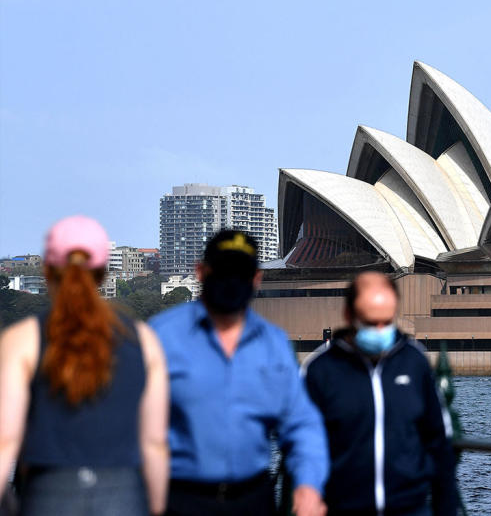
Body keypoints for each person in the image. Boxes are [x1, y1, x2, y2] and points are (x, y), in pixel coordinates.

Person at [149, 230, 328, 516]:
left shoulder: (273, 343)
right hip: (181, 499)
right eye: (223, 271)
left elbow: (301, 424)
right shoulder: (161, 336)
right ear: (201, 272)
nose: (232, 280)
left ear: (256, 278)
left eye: (240, 273)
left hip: (253, 499)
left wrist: (308, 485)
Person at [0, 215, 169, 515]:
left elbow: (5, 440)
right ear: (103, 273)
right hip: (124, 495)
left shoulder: (21, 340)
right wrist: (156, 507)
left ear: (47, 271)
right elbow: (155, 443)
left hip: (47, 493)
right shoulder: (143, 340)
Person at [302, 272, 459, 516]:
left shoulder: (414, 361)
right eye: (369, 322)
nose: (379, 330)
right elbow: (303, 442)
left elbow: (439, 441)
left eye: (386, 322)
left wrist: (446, 509)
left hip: (410, 508)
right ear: (348, 315)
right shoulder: (321, 369)